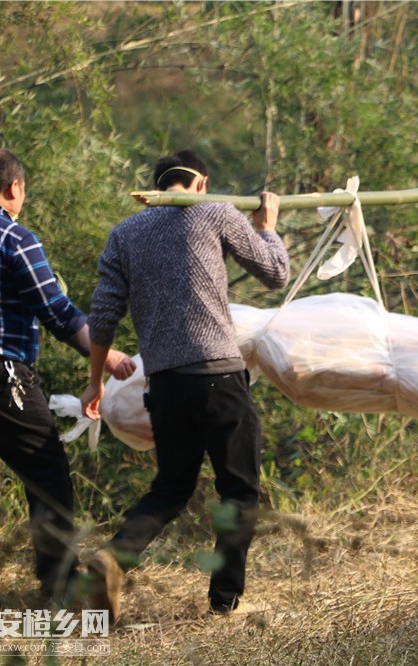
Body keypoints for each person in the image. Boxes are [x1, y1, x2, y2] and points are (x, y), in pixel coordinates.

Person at [0, 148, 137, 609]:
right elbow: (55, 310)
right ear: (14, 187)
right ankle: (58, 587)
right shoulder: (14, 237)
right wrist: (106, 354)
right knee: (47, 475)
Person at [80, 149, 290, 620]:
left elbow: (103, 317)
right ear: (202, 182)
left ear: (156, 188)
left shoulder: (125, 233)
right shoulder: (216, 211)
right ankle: (225, 602)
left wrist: (94, 383)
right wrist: (266, 224)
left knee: (171, 488)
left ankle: (114, 557)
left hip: (166, 386)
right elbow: (276, 274)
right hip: (218, 377)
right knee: (239, 491)